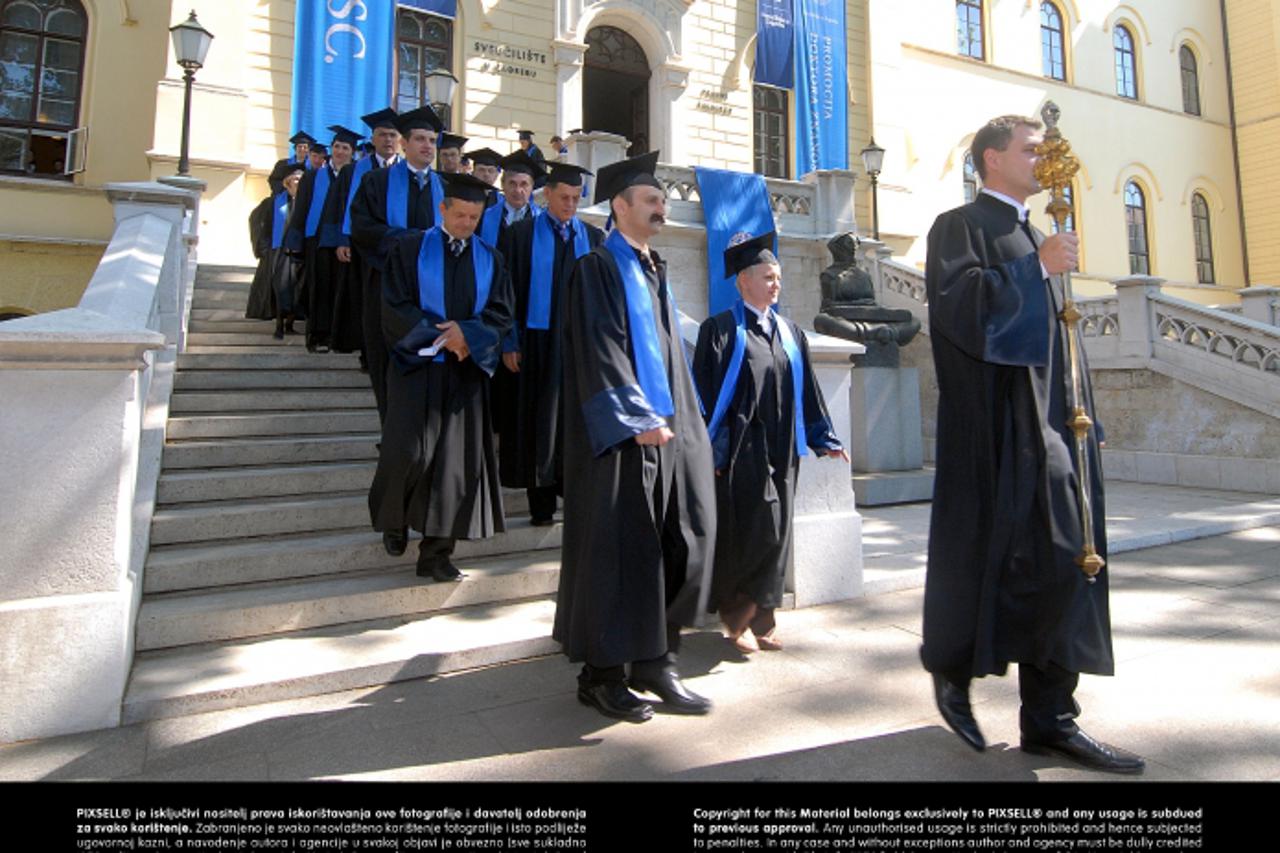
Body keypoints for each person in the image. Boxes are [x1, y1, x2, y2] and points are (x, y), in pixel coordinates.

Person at [921, 114, 1143, 774]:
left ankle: (1050, 719)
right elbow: (959, 310)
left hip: (1051, 430)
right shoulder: (960, 227)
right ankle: (954, 673)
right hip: (994, 430)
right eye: (1030, 149)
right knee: (982, 557)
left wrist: (1081, 416)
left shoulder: (1037, 234)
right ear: (992, 158)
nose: (1042, 159)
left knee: (1067, 561)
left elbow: (1057, 339)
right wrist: (1035, 270)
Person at [553, 151, 717, 723]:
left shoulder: (654, 267)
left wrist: (687, 423)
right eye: (650, 199)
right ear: (620, 207)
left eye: (662, 199)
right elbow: (600, 349)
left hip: (667, 431)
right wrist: (636, 418)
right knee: (617, 553)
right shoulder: (597, 268)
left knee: (672, 543)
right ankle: (600, 675)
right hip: (622, 439)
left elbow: (670, 354)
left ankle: (655, 661)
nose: (661, 206)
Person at [692, 232, 849, 654]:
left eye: (778, 277)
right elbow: (703, 396)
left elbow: (807, 390)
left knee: (777, 533)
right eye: (767, 277)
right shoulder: (719, 330)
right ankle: (737, 619)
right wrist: (713, 451)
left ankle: (763, 620)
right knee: (750, 529)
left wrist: (823, 437)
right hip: (741, 448)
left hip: (782, 447)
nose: (775, 284)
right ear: (743, 280)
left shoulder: (790, 333)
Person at [367, 172, 514, 581]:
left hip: (465, 373)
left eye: (474, 217)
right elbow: (393, 305)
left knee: (454, 465)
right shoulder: (409, 249)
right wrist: (441, 336)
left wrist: (468, 335)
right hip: (416, 367)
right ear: (442, 209)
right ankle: (395, 520)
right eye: (460, 214)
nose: (467, 223)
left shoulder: (491, 258)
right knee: (407, 452)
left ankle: (436, 553)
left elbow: (501, 312)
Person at [496, 162, 603, 525]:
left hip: (578, 350)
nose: (570, 204)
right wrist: (509, 340)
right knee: (538, 422)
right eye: (564, 197)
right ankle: (540, 505)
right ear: (547, 196)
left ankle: (572, 496)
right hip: (536, 346)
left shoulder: (592, 238)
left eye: (575, 198)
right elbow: (505, 292)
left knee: (575, 424)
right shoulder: (521, 234)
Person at [349, 104, 445, 425]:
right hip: (386, 286)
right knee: (386, 361)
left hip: (432, 290)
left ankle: (423, 432)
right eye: (420, 139)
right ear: (404, 143)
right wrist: (408, 241)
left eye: (432, 140)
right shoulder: (376, 182)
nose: (427, 146)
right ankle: (391, 431)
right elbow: (362, 228)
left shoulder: (446, 189)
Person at [286, 125, 360, 353]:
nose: (340, 151)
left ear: (352, 152)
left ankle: (341, 337)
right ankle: (318, 336)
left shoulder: (357, 176)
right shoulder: (313, 176)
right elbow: (301, 208)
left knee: (343, 290)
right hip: (317, 240)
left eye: (345, 148)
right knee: (319, 288)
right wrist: (295, 240)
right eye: (337, 146)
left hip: (347, 240)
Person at [340, 109, 402, 368]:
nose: (388, 140)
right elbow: (344, 207)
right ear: (373, 139)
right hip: (365, 248)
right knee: (368, 301)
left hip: (398, 250)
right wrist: (343, 239)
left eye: (392, 135)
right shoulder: (355, 170)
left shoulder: (407, 171)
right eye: (382, 135)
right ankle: (368, 352)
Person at [268, 162, 305, 339]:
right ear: (288, 181)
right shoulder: (277, 201)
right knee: (281, 289)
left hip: (300, 251)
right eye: (295, 179)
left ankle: (290, 324)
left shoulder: (306, 201)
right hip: (281, 252)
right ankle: (279, 326)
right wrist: (264, 247)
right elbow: (264, 225)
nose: (298, 182)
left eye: (301, 179)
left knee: (297, 290)